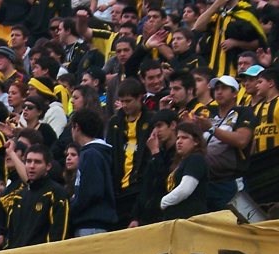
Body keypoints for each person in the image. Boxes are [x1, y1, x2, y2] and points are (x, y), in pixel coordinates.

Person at [192, 75, 255, 211]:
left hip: (230, 181)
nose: (219, 92)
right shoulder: (209, 115)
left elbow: (242, 140)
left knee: (237, 220)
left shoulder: (244, 112)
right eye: (217, 88)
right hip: (206, 183)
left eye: (224, 88)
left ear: (235, 93)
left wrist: (212, 129)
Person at [106, 78, 153, 227]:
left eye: (128, 101)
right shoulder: (115, 122)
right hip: (119, 191)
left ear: (140, 98)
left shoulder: (151, 119)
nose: (125, 105)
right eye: (122, 101)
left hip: (140, 188)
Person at [70, 108, 117, 236]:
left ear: (77, 127)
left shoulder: (91, 154)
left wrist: (70, 206)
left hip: (92, 224)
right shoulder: (93, 152)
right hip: (90, 222)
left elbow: (91, 192)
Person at [161, 123, 209, 220]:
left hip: (189, 220)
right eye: (178, 138)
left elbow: (185, 189)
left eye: (184, 138)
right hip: (176, 219)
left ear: (196, 141)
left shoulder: (196, 159)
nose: (179, 141)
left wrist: (164, 202)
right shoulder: (181, 162)